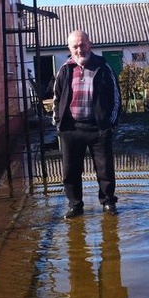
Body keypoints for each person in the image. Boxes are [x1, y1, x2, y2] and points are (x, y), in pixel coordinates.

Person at [52, 29, 122, 219]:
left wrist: (110, 124)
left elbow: (116, 96)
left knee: (105, 168)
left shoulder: (103, 66)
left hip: (98, 128)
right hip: (71, 129)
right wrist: (59, 124)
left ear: (89, 44)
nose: (79, 49)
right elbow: (57, 99)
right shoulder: (65, 69)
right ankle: (75, 205)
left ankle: (108, 202)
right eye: (75, 46)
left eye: (82, 45)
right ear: (69, 48)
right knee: (70, 171)